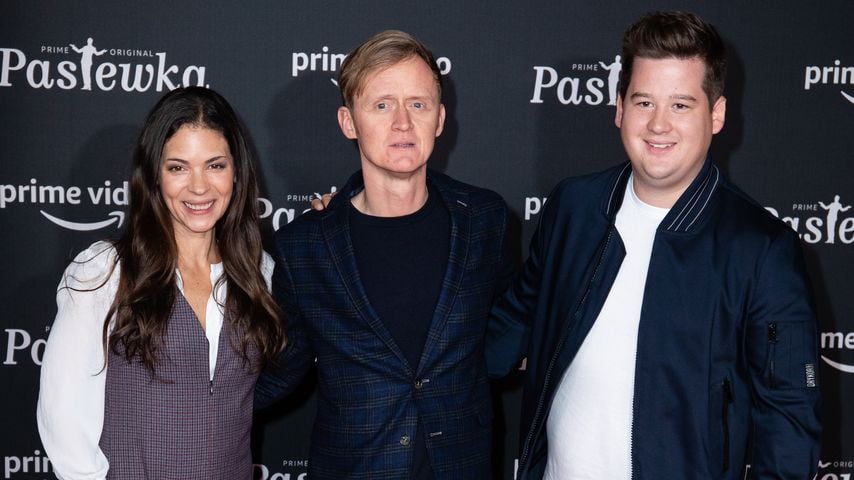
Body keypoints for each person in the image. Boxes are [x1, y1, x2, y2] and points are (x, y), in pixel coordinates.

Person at [489, 11, 822, 479]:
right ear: (619, 108)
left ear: (718, 114)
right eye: (644, 102)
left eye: (682, 105)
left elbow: (788, 423)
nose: (658, 125)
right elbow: (510, 326)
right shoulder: (575, 206)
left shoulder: (761, 249)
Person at [254, 30, 513, 479]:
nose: (402, 123)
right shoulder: (303, 247)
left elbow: (511, 330)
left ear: (440, 118)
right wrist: (178, 402)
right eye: (381, 105)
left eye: (418, 104)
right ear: (348, 122)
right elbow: (282, 368)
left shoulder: (485, 220)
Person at [37, 86, 286, 479]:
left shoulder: (260, 272)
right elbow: (64, 421)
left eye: (215, 165)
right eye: (178, 167)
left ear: (237, 172)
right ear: (154, 175)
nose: (199, 187)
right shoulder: (104, 272)